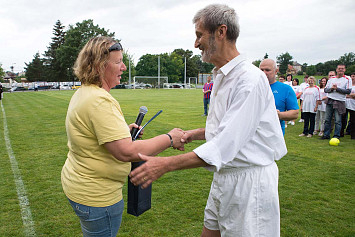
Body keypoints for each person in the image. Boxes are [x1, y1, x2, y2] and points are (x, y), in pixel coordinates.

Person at [130, 4, 287, 236]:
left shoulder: (249, 80)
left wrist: (164, 165)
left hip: (249, 184)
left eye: (199, 35)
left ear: (221, 32)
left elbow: (226, 144)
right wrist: (197, 133)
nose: (195, 44)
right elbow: (228, 127)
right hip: (224, 178)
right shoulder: (222, 76)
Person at [61, 36, 185, 237]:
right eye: (118, 62)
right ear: (100, 67)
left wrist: (121, 134)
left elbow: (91, 135)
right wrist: (170, 138)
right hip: (97, 196)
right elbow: (126, 152)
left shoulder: (85, 92)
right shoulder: (100, 101)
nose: (124, 67)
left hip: (80, 186)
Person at [259, 58, 299, 135]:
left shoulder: (286, 89)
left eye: (267, 70)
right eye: (262, 70)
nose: (264, 73)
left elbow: (295, 113)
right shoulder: (252, 87)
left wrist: (278, 115)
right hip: (253, 137)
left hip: (274, 136)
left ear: (276, 71)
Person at [320, 64, 352, 140]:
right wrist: (331, 89)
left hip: (340, 101)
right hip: (330, 100)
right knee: (327, 119)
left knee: (338, 120)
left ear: (345, 70)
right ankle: (326, 135)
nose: (340, 70)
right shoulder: (332, 79)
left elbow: (348, 91)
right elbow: (325, 90)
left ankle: (336, 135)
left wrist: (337, 89)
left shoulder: (347, 79)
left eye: (342, 69)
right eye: (339, 69)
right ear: (336, 70)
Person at [344, 73, 355, 138]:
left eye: (354, 76)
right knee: (343, 119)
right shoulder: (348, 85)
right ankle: (343, 132)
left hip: (353, 105)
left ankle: (352, 134)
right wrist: (352, 95)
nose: (352, 78)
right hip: (345, 104)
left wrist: (349, 95)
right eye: (351, 76)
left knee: (352, 120)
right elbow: (344, 94)